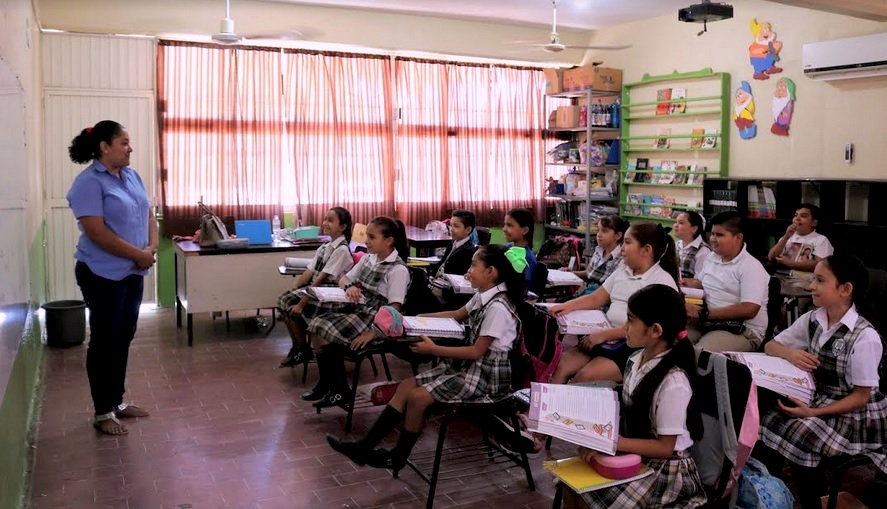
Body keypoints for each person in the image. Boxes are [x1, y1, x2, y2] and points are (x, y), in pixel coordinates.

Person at [324, 244, 527, 470]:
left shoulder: (498, 306)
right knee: (406, 387)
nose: (469, 271)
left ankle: (397, 457)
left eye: (474, 265)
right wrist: (415, 319)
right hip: (470, 366)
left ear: (491, 272)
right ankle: (363, 448)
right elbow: (457, 314)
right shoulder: (484, 295)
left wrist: (433, 350)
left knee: (418, 398)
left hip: (487, 376)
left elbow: (476, 351)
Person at [755, 254, 887, 509]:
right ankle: (773, 492)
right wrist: (791, 353)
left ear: (845, 290)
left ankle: (813, 499)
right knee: (768, 418)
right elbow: (771, 345)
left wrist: (813, 411)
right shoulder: (814, 319)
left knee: (800, 432)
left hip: (857, 413)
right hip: (821, 399)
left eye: (820, 280)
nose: (811, 286)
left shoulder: (865, 337)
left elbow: (861, 397)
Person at [574, 284, 706, 508]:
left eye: (631, 320)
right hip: (635, 451)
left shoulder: (674, 382)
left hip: (667, 470)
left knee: (593, 498)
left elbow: (665, 448)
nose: (625, 327)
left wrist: (612, 443)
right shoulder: (635, 360)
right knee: (572, 485)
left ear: (655, 331)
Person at [66, 120, 157, 436]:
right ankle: (102, 411)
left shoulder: (131, 176)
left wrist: (152, 248)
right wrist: (138, 254)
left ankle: (117, 402)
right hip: (102, 274)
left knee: (123, 336)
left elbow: (148, 213)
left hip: (132, 272)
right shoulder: (88, 183)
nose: (130, 148)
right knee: (105, 341)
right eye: (124, 142)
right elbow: (96, 232)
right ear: (105, 147)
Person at [549, 223, 680, 385]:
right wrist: (568, 306)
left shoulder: (661, 282)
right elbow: (596, 298)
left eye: (628, 242)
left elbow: (645, 327)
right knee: (561, 365)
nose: (622, 248)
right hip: (604, 338)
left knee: (584, 378)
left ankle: (569, 408)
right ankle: (548, 407)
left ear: (646, 250)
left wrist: (603, 335)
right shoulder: (622, 270)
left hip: (634, 346)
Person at [303, 216, 410, 408]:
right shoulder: (369, 258)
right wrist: (350, 286)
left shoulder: (398, 269)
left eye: (371, 237)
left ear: (389, 240)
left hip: (376, 319)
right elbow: (343, 278)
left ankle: (340, 390)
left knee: (323, 327)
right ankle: (326, 384)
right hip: (360, 310)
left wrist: (372, 333)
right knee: (316, 325)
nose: (366, 241)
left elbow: (395, 310)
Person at [277, 207, 354, 367]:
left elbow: (321, 278)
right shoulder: (325, 247)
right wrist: (295, 289)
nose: (325, 223)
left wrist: (301, 302)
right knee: (284, 300)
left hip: (332, 293)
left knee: (292, 304)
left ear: (343, 227)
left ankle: (303, 349)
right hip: (319, 289)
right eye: (325, 219)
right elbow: (309, 271)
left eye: (330, 220)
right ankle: (299, 347)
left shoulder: (341, 250)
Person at [684, 211, 769, 353]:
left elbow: (750, 309)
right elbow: (702, 283)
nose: (713, 239)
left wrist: (703, 313)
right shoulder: (712, 257)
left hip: (742, 331)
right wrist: (688, 284)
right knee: (672, 343)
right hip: (710, 322)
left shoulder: (751, 267)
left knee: (700, 356)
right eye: (712, 234)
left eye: (719, 235)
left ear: (738, 238)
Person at [563, 216, 627, 295]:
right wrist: (570, 273)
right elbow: (588, 273)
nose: (599, 235)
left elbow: (612, 288)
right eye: (598, 230)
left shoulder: (621, 258)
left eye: (604, 231)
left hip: (600, 296)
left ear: (618, 236)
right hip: (588, 292)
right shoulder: (598, 250)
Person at [430, 209, 478, 310]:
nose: (451, 229)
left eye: (456, 226)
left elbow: (459, 281)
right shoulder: (452, 244)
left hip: (448, 295)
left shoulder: (468, 251)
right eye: (451, 225)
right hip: (436, 285)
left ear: (468, 230)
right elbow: (441, 263)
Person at [768, 203, 833, 273]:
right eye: (796, 215)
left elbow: (821, 265)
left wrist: (790, 263)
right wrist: (786, 237)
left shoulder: (821, 239)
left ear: (814, 223)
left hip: (804, 280)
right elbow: (771, 258)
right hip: (780, 276)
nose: (797, 219)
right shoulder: (787, 237)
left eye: (803, 216)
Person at [503, 208, 537, 284]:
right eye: (504, 224)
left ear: (525, 230)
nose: (504, 229)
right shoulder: (508, 247)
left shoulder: (528, 258)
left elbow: (524, 287)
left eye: (509, 225)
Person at [674, 211, 711, 280]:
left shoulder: (703, 252)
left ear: (694, 229)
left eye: (681, 223)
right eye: (676, 222)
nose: (676, 225)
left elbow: (700, 281)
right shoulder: (676, 245)